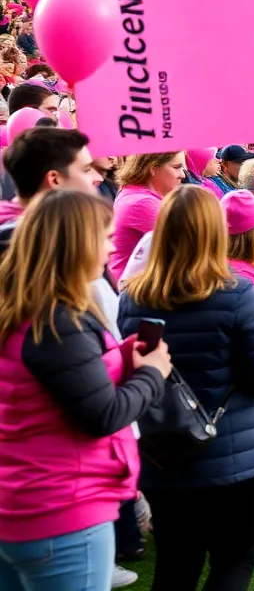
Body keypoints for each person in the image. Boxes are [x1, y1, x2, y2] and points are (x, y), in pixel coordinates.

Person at [119, 185, 254, 590]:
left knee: (175, 565)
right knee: (234, 561)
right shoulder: (234, 291)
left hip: (165, 451)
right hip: (231, 455)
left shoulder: (133, 296)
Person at [0, 191, 170, 591]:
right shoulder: (56, 320)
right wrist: (151, 373)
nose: (113, 247)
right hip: (60, 505)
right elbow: (102, 414)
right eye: (106, 238)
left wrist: (121, 357)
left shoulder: (26, 305)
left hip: (26, 496)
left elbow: (58, 382)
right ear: (76, 244)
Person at [110, 153, 186, 278]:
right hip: (136, 291)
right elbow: (187, 248)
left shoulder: (135, 193)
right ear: (153, 168)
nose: (182, 175)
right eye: (177, 167)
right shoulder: (143, 203)